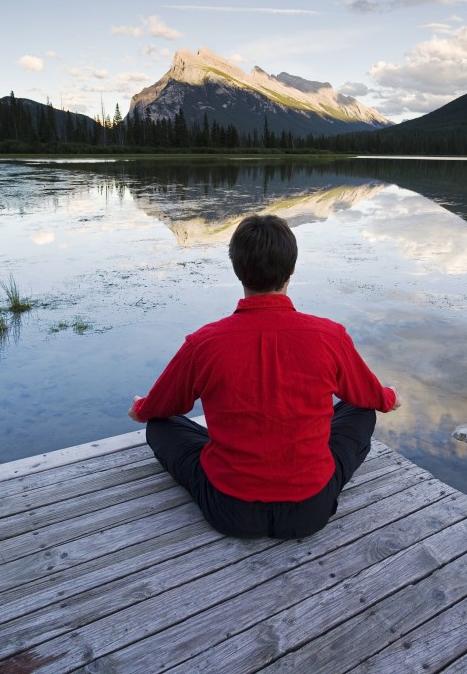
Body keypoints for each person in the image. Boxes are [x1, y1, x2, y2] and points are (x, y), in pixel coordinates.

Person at [128, 214, 402, 539]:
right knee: (360, 409)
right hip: (310, 510)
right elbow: (371, 398)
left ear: (237, 270)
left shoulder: (204, 342)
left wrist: (141, 409)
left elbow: (160, 407)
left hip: (230, 510)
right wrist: (390, 397)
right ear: (292, 270)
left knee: (160, 425)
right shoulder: (330, 335)